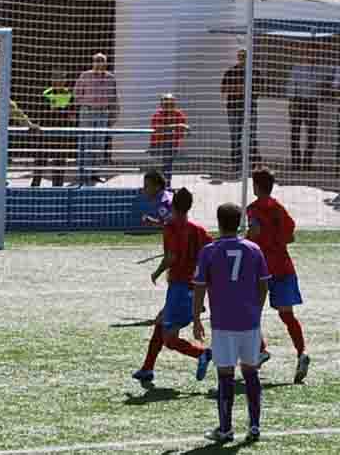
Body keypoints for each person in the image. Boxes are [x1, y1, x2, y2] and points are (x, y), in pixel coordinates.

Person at [192, 202, 270, 443]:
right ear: (239, 223)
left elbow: (199, 288)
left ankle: (225, 430)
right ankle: (254, 427)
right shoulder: (254, 249)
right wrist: (256, 309)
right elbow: (264, 284)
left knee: (225, 375)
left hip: (223, 322)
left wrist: (196, 318)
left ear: (218, 221)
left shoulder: (209, 251)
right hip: (249, 322)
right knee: (251, 373)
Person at [132, 188, 213, 385]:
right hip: (193, 288)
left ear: (173, 205)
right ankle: (147, 368)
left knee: (169, 339)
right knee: (160, 323)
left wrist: (158, 272)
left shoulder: (171, 228)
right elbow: (212, 250)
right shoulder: (198, 230)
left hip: (179, 288)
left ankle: (202, 354)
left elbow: (171, 257)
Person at [247, 168, 310, 384]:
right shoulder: (279, 208)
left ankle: (261, 351)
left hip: (263, 269)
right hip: (284, 267)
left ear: (256, 186)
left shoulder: (254, 209)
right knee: (287, 315)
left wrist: (243, 240)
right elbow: (290, 237)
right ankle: (301, 353)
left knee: (249, 312)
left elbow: (254, 233)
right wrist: (275, 240)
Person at [74, 53, 120, 183]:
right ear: (93, 62)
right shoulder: (85, 75)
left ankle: (95, 172)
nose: (99, 63)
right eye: (97, 60)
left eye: (102, 61)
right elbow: (76, 93)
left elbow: (114, 98)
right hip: (87, 112)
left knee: (99, 143)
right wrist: (86, 102)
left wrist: (113, 115)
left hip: (103, 113)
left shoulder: (111, 78)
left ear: (105, 63)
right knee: (86, 142)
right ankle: (83, 173)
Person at [221, 48, 264, 173]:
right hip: (233, 108)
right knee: (235, 137)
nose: (242, 58)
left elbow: (261, 89)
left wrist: (245, 89)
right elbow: (223, 89)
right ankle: (236, 164)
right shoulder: (231, 72)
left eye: (244, 55)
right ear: (237, 57)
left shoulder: (255, 72)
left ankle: (253, 164)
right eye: (240, 56)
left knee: (251, 136)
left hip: (250, 108)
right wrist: (240, 89)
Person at [287, 46, 327, 172]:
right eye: (309, 54)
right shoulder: (297, 68)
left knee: (312, 135)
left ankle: (307, 163)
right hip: (298, 102)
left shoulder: (320, 70)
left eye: (313, 54)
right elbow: (291, 86)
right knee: (295, 134)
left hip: (312, 103)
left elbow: (322, 86)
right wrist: (292, 103)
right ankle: (296, 164)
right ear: (304, 55)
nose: (311, 56)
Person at [35, 71, 76, 187]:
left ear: (65, 80)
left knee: (60, 159)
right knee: (41, 157)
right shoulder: (46, 93)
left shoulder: (69, 95)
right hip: (47, 131)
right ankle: (36, 182)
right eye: (56, 78)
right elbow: (41, 112)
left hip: (62, 132)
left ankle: (58, 184)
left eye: (61, 78)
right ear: (52, 80)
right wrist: (60, 111)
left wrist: (58, 111)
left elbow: (72, 115)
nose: (58, 81)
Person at [148, 93, 189, 186]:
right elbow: (158, 128)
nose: (168, 106)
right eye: (165, 104)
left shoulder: (178, 115)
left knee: (167, 165)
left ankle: (166, 184)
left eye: (171, 104)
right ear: (162, 104)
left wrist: (174, 128)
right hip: (158, 144)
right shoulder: (157, 115)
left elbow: (181, 131)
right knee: (162, 167)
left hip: (172, 145)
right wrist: (176, 126)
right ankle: (162, 184)